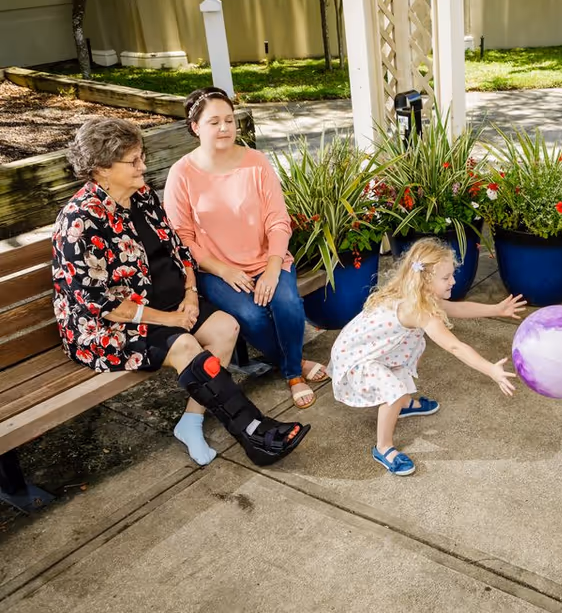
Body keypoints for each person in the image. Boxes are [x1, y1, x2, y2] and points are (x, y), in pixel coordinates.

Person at [52, 118, 309, 467]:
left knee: (225, 327)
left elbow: (178, 248)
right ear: (101, 170)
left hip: (168, 303)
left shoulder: (141, 197)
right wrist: (172, 318)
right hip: (109, 328)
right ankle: (254, 431)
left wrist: (189, 292)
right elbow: (104, 305)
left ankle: (190, 420)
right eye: (133, 161)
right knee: (185, 345)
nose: (143, 166)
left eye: (142, 156)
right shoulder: (80, 221)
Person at [163, 87, 327, 410]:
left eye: (229, 120)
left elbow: (278, 221)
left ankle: (293, 374)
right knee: (252, 315)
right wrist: (224, 270)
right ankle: (295, 365)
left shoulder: (256, 162)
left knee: (288, 304)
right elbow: (182, 239)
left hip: (269, 258)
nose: (224, 128)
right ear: (196, 127)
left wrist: (271, 267)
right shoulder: (181, 174)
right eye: (214, 122)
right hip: (217, 269)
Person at [327, 238, 526, 476]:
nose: (453, 281)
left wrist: (495, 309)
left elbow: (457, 309)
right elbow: (455, 347)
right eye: (446, 278)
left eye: (452, 275)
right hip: (356, 358)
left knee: (416, 343)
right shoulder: (417, 310)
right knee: (395, 389)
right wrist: (490, 370)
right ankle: (383, 447)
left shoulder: (418, 293)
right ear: (425, 278)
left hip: (373, 349)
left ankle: (402, 405)